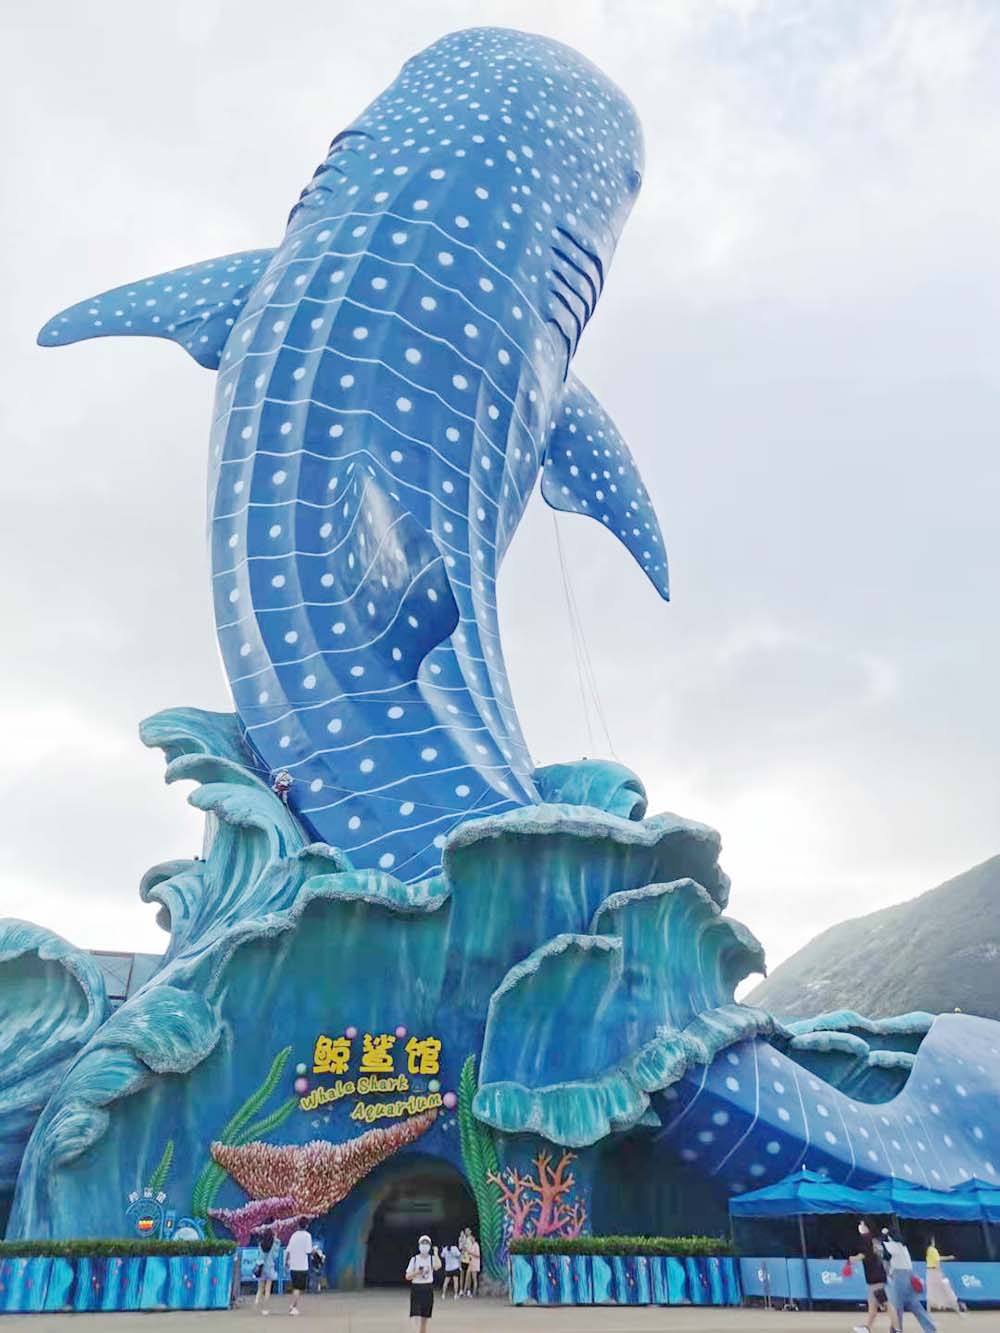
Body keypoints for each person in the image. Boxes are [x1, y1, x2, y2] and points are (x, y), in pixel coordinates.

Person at [882, 1228, 936, 1332]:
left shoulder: (891, 1246)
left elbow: (885, 1256)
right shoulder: (903, 1246)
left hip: (899, 1276)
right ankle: (930, 1328)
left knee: (897, 1304)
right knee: (914, 1303)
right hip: (909, 1274)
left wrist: (883, 1234)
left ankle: (896, 1329)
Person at [850, 1218, 895, 1333]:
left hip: (874, 1277)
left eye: (862, 1224)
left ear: (867, 1226)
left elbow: (863, 1255)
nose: (860, 1226)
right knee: (873, 1306)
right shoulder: (875, 1240)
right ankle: (867, 1328)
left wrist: (852, 1259)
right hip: (877, 1275)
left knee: (885, 1303)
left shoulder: (866, 1238)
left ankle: (895, 1327)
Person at [405, 1233, 441, 1331]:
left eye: (427, 1243)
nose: (424, 1245)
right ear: (419, 1245)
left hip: (428, 1288)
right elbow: (407, 1276)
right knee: (415, 1316)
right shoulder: (414, 1259)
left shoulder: (431, 1259)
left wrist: (436, 1253)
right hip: (416, 1288)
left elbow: (438, 1266)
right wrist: (417, 1272)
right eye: (422, 1243)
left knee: (425, 1318)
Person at [925, 1237, 964, 1314]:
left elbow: (937, 1258)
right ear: (932, 1241)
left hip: (929, 1271)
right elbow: (937, 1262)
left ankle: (929, 1311)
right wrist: (941, 1273)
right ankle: (956, 1309)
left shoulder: (928, 1250)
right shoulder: (934, 1250)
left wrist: (948, 1257)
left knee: (930, 1291)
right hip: (935, 1272)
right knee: (946, 1289)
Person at [285, 1218, 315, 1317]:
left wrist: (286, 1262)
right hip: (302, 1266)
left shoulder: (294, 1235)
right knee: (298, 1288)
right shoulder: (307, 1236)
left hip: (293, 1265)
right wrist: (314, 1251)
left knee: (295, 1287)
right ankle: (293, 1307)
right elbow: (308, 1251)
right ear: (306, 1226)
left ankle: (293, 1305)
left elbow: (288, 1250)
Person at [253, 1227, 279, 1315]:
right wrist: (276, 1241)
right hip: (270, 1268)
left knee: (260, 1288)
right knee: (267, 1290)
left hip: (261, 1268)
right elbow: (275, 1256)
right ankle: (265, 1309)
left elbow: (259, 1256)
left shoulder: (261, 1244)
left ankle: (256, 1302)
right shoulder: (273, 1245)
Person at [465, 1231, 481, 1297]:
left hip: (475, 1263)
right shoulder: (472, 1245)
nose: (470, 1239)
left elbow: (478, 1255)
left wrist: (470, 1253)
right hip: (471, 1263)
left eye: (471, 1238)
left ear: (474, 1238)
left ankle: (474, 1293)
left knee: (474, 1279)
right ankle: (467, 1291)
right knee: (468, 1277)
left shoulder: (476, 1245)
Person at [459, 1228, 472, 1296]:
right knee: (462, 1275)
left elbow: (471, 1249)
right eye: (466, 1231)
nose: (467, 1232)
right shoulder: (462, 1238)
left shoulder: (471, 1239)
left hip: (469, 1259)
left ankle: (468, 1290)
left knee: (469, 1276)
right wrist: (462, 1240)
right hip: (463, 1259)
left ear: (470, 1232)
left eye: (468, 1231)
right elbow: (460, 1247)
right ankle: (461, 1290)